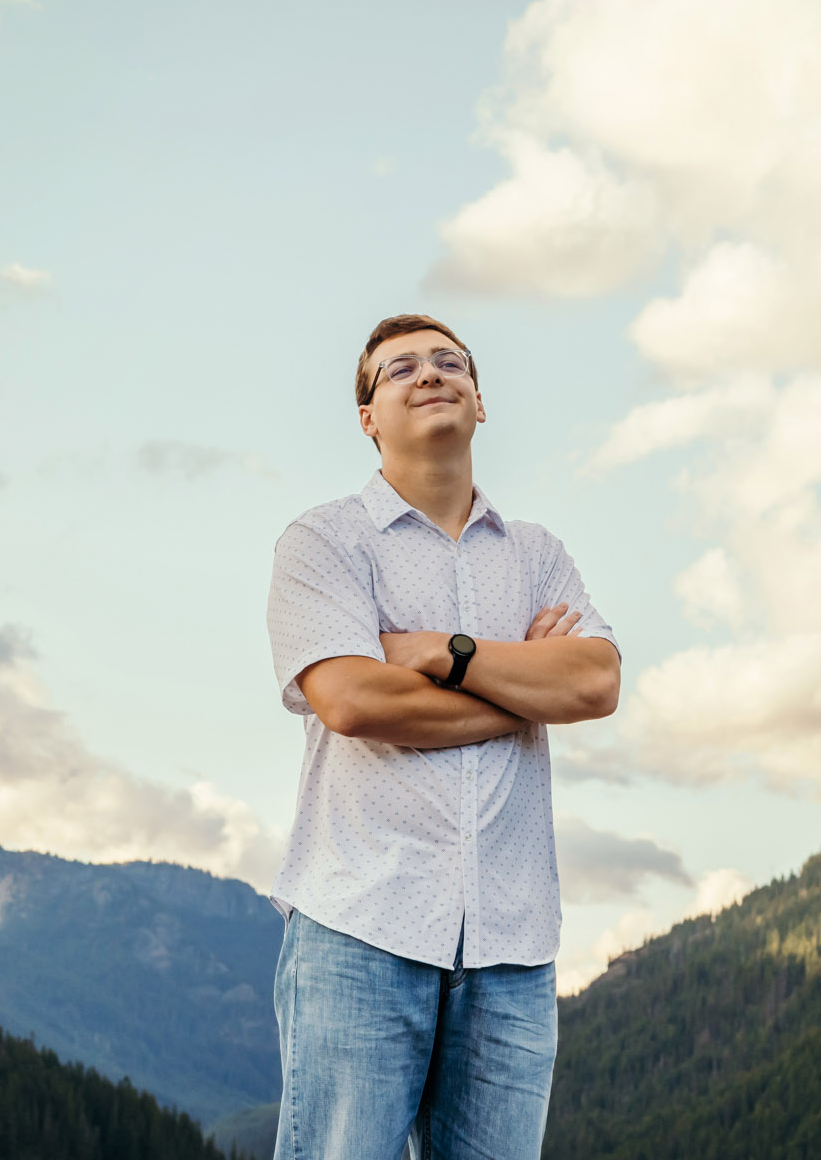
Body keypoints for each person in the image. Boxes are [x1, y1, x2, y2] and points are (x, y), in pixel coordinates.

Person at [265, 314, 622, 1160]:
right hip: (361, 927)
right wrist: (521, 687)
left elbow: (595, 681)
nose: (430, 373)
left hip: (512, 944)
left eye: (449, 362)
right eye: (400, 369)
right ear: (367, 417)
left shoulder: (537, 554)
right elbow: (351, 698)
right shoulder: (324, 540)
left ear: (481, 401)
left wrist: (442, 653)